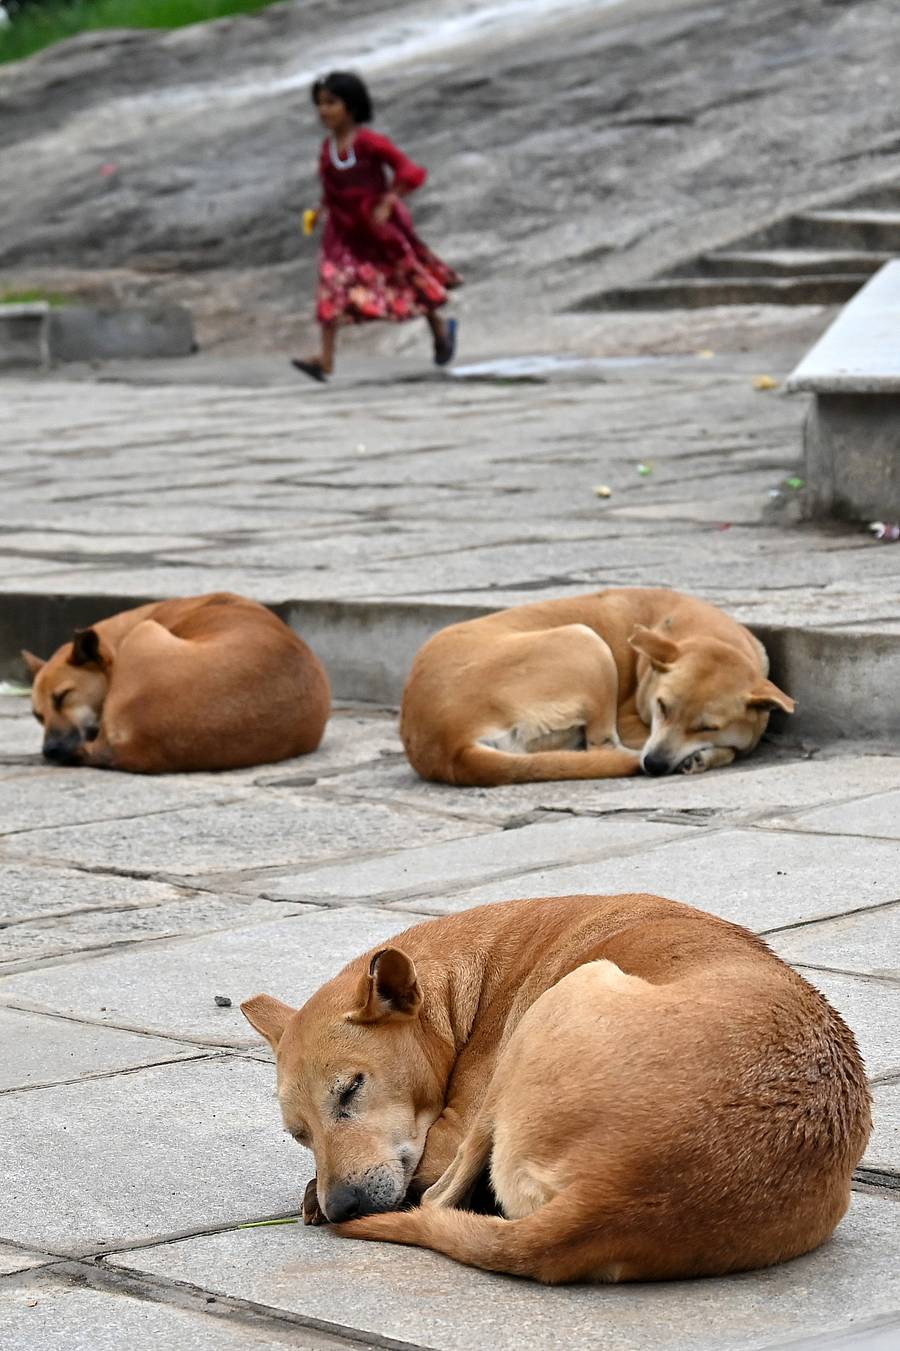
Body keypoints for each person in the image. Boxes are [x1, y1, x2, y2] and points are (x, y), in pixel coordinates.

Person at [293, 71, 461, 382]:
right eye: (319, 104)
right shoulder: (327, 149)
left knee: (406, 279)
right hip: (343, 230)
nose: (323, 111)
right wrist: (319, 210)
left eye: (331, 103)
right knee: (332, 283)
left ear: (352, 106)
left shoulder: (371, 143)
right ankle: (326, 359)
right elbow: (331, 187)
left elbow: (408, 170)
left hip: (376, 226)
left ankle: (439, 328)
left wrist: (389, 200)